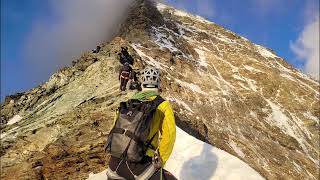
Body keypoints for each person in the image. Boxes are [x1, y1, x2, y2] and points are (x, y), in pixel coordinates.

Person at [106, 66, 177, 180]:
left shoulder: (129, 102)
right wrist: (160, 161)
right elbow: (169, 136)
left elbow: (115, 127)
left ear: (142, 82)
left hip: (114, 164)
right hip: (140, 165)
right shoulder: (162, 105)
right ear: (158, 83)